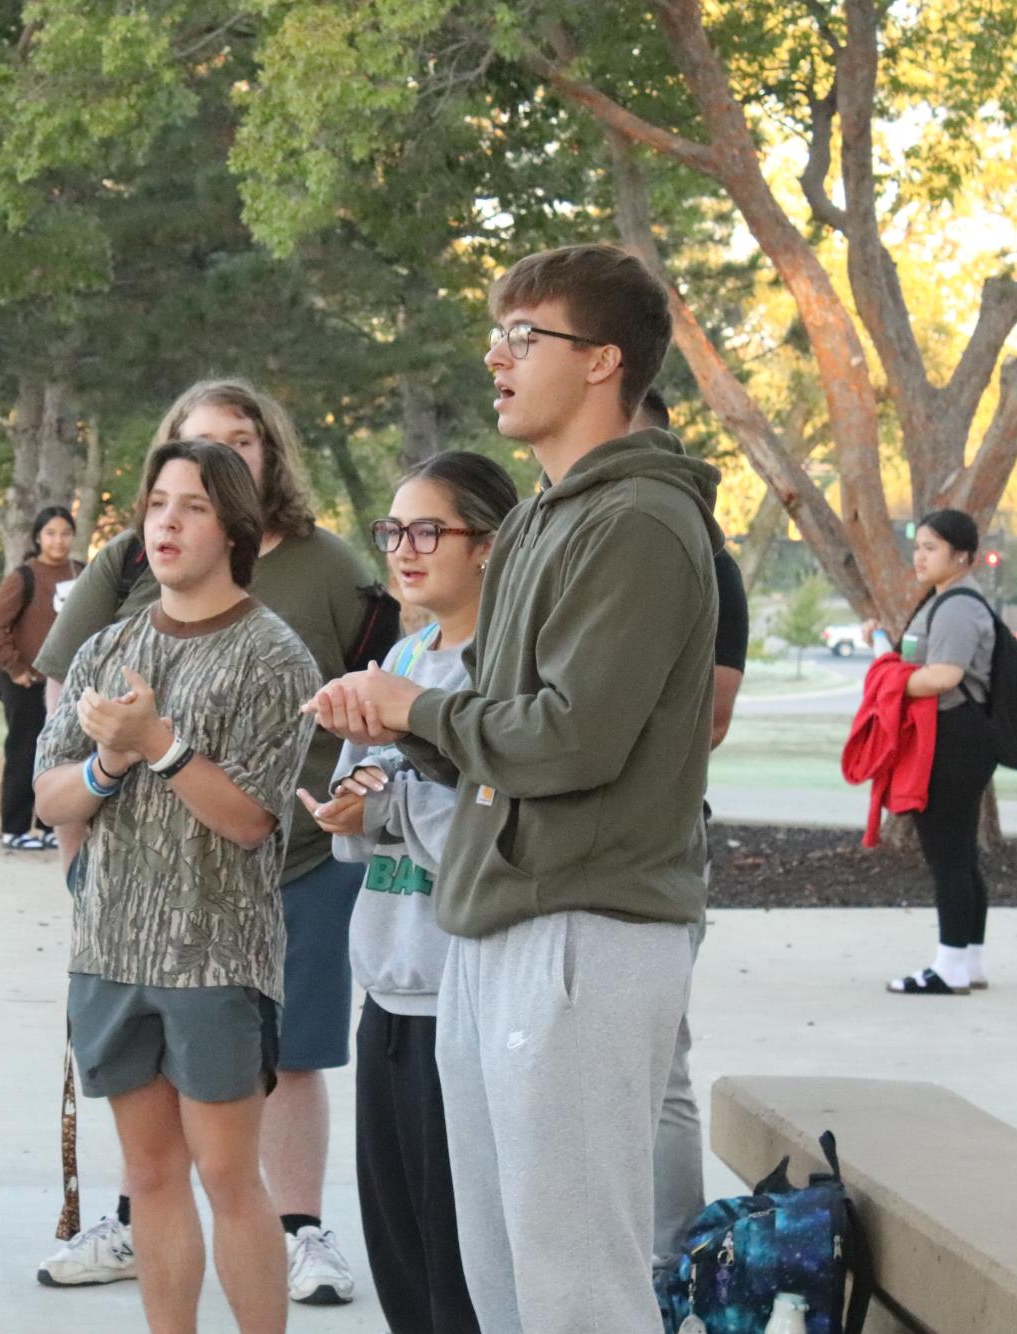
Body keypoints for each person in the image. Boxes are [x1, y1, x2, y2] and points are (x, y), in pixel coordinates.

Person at [308, 243, 719, 1332]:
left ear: (602, 362)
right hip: (492, 924)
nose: (497, 356)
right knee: (501, 1285)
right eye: (499, 333)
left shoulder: (636, 521)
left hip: (585, 926)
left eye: (524, 336)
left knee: (576, 1285)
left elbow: (575, 739)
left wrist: (414, 712)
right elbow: (497, 722)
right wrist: (398, 731)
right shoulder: (545, 514)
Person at [34, 380, 369, 1303]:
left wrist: (159, 744)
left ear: (235, 531)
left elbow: (253, 817)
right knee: (149, 1182)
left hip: (215, 961)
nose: (167, 524)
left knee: (229, 1178)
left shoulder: (273, 655)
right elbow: (46, 793)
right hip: (109, 952)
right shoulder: (108, 647)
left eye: (193, 508)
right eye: (156, 505)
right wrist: (106, 767)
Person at [303, 451, 518, 1334]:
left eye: (429, 530)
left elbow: (481, 834)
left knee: (457, 1264)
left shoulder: (501, 673)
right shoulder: (402, 654)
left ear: (490, 545)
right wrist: (352, 815)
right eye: (393, 531)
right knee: (396, 1256)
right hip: (385, 984)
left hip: (458, 995)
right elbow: (366, 822)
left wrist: (384, 808)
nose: (404, 549)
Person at [634, 386, 750, 1259]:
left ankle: (672, 1262)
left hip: (657, 844)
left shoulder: (706, 560)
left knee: (659, 1065)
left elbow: (707, 716)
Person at [872, 508, 995, 996]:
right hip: (951, 734)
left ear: (960, 555)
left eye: (931, 548)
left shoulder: (960, 606)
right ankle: (970, 962)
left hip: (954, 737)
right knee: (960, 853)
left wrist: (891, 684)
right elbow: (917, 661)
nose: (919, 556)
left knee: (947, 852)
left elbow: (944, 675)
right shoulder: (943, 600)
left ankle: (949, 969)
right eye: (918, 546)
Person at [0, 505, 83, 850]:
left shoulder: (84, 574)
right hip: (28, 685)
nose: (59, 541)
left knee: (63, 756)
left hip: (69, 686)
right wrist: (16, 668)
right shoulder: (25, 576)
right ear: (38, 538)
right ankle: (15, 829)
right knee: (24, 753)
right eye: (51, 533)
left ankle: (52, 825)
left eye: (65, 533)